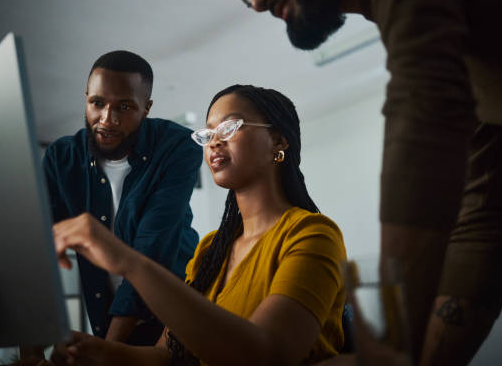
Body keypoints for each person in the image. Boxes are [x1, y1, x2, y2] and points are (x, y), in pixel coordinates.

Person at [219, 0, 502, 365]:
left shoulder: (423, 52)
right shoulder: (442, 35)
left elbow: (426, 98)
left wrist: (389, 335)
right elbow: (480, 220)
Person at [48, 84, 348, 365]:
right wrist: (102, 352)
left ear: (278, 141)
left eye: (230, 127)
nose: (214, 141)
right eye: (207, 134)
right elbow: (169, 357)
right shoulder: (210, 249)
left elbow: (267, 354)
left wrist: (129, 262)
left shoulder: (313, 235)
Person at [42, 50, 202, 346]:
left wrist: (108, 353)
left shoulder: (178, 147)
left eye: (125, 106)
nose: (107, 119)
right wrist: (33, 349)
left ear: (146, 108)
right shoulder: (61, 158)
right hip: (106, 316)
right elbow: (41, 254)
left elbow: (151, 252)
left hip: (176, 313)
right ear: (86, 97)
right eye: (97, 103)